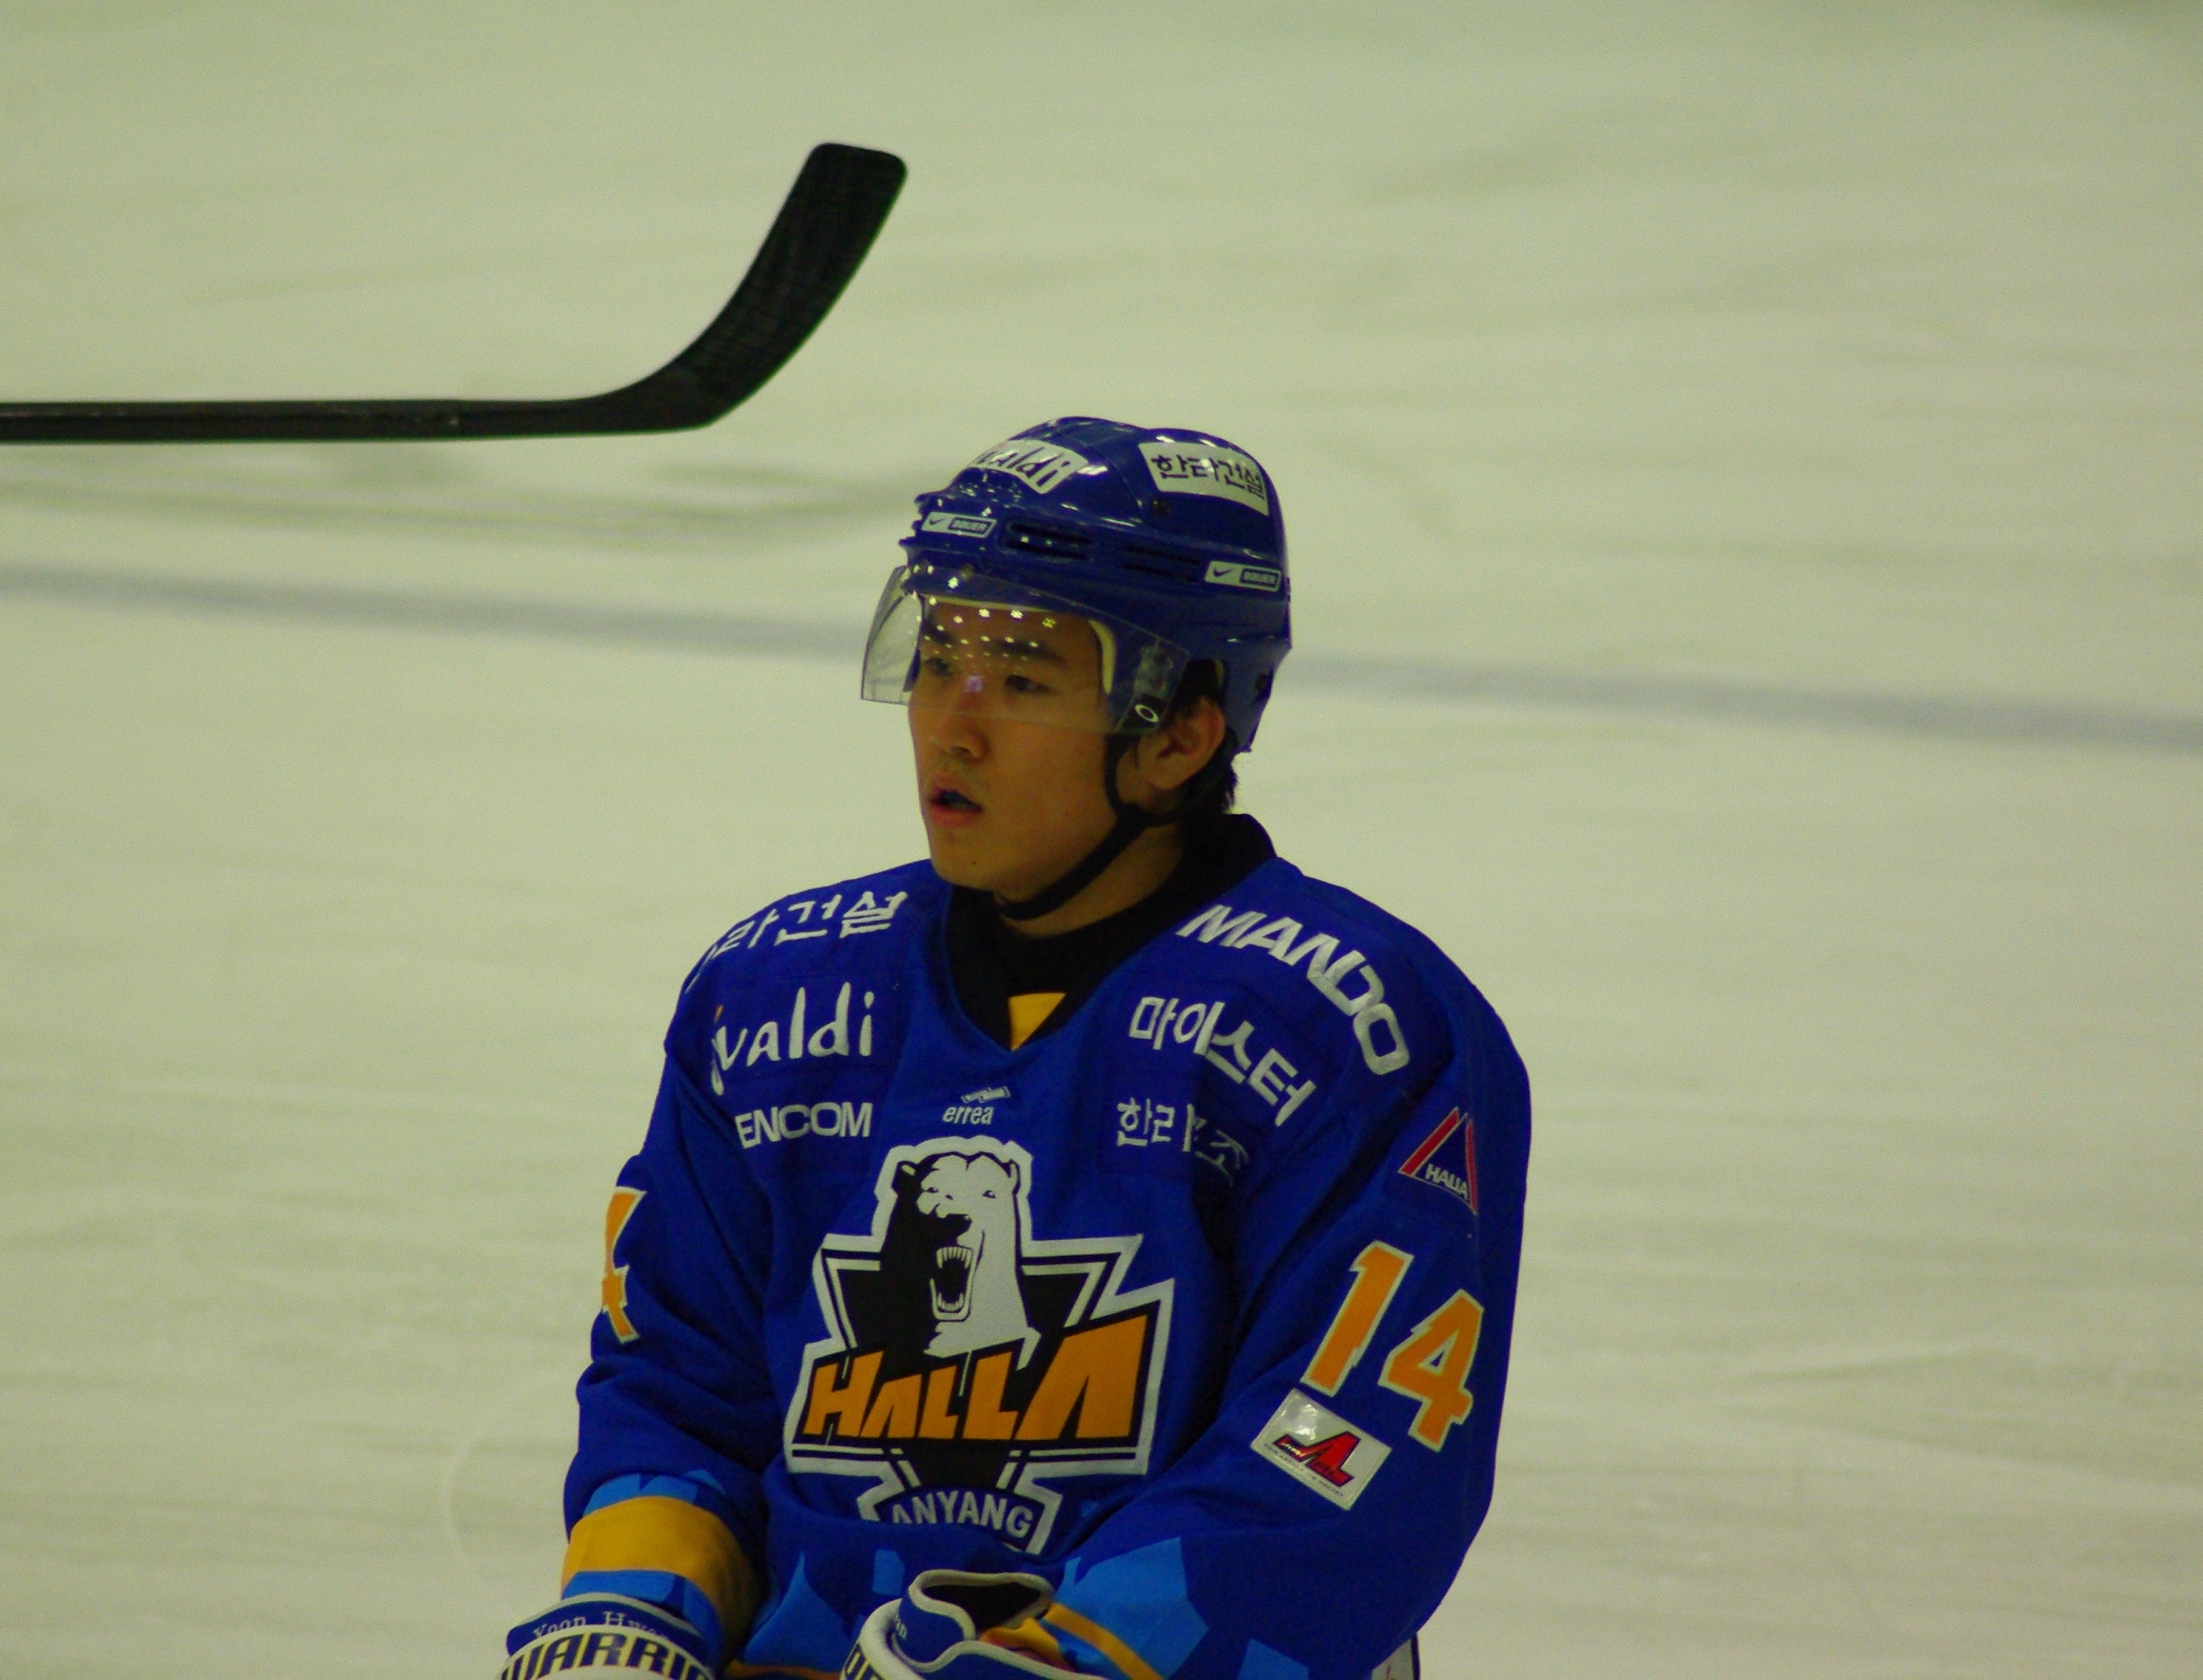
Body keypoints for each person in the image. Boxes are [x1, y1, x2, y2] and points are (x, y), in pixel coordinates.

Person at [502, 418, 1531, 1680]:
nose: (953, 725)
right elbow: (678, 1388)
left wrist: (1053, 1663)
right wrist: (632, 1607)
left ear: (1180, 734)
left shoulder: (1346, 1027)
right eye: (937, 660)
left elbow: (1337, 1454)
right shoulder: (774, 994)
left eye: (1024, 680)